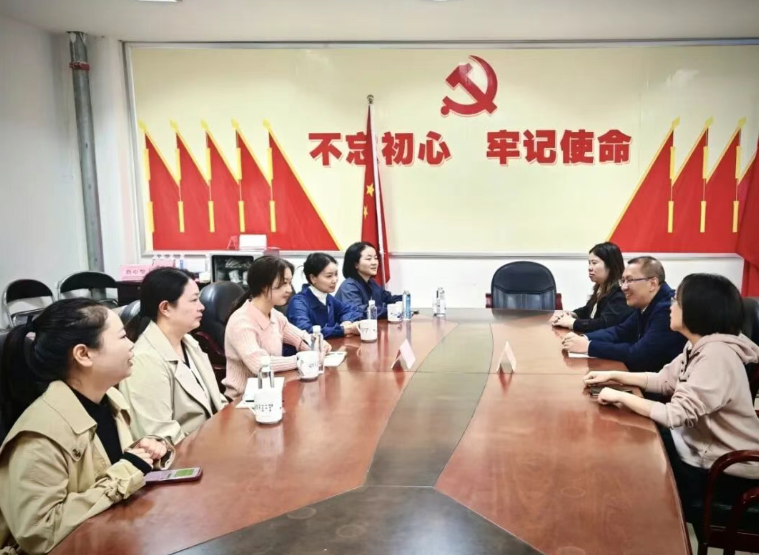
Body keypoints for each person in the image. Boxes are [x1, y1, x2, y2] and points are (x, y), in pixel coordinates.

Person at [0, 299, 171, 555]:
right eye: (122, 336)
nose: (131, 344)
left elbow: (106, 465)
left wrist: (144, 452)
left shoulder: (109, 399)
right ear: (83, 354)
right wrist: (127, 470)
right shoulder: (39, 436)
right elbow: (39, 533)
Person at [584, 274, 759, 517]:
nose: (670, 305)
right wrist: (614, 376)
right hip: (694, 447)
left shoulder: (716, 356)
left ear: (697, 309)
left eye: (676, 300)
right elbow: (664, 380)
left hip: (724, 469)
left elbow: (674, 415)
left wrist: (621, 397)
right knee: (631, 443)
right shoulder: (698, 345)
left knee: (631, 467)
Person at [121, 268, 228, 445]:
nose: (201, 307)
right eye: (193, 300)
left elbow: (216, 400)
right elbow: (158, 436)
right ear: (165, 308)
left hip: (213, 441)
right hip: (187, 455)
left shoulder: (189, 342)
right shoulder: (144, 360)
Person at [223, 256, 330, 398]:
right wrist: (301, 359)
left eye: (290, 283)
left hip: (272, 392)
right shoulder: (241, 321)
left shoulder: (274, 315)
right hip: (243, 400)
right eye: (283, 283)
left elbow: (301, 339)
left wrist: (317, 345)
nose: (289, 289)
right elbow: (259, 364)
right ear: (263, 285)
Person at [562, 256, 686, 372]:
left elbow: (639, 354)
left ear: (652, 283)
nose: (623, 287)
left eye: (630, 280)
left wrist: (589, 346)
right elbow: (620, 332)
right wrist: (584, 338)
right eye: (623, 281)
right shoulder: (646, 302)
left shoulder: (667, 309)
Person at [550, 242, 633, 333]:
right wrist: (570, 314)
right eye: (589, 263)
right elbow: (588, 310)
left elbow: (604, 324)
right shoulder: (601, 287)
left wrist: (572, 323)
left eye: (594, 263)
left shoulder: (620, 293)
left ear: (610, 265)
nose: (590, 268)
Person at [287, 253, 363, 338]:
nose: (335, 280)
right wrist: (345, 329)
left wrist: (347, 321)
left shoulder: (328, 298)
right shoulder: (298, 302)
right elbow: (306, 331)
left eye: (336, 274)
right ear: (313, 278)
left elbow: (353, 310)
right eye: (329, 276)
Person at [335, 242, 402, 320]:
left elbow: (388, 299)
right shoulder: (349, 286)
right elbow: (359, 312)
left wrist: (404, 298)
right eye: (368, 259)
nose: (374, 263)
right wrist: (389, 310)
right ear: (356, 264)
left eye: (375, 258)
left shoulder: (372, 283)